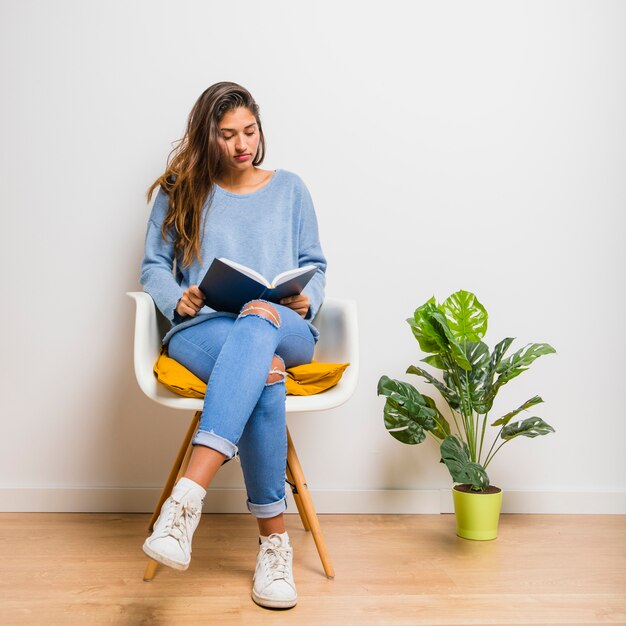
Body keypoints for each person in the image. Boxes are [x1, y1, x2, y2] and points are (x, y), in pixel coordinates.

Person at [139, 81, 326, 610]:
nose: (242, 144)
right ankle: (274, 545)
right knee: (263, 370)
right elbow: (153, 267)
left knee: (260, 316)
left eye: (249, 130)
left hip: (284, 324)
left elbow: (317, 264)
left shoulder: (290, 188)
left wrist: (307, 299)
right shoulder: (182, 189)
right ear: (207, 137)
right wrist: (179, 298)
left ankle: (185, 502)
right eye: (227, 135)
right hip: (206, 331)